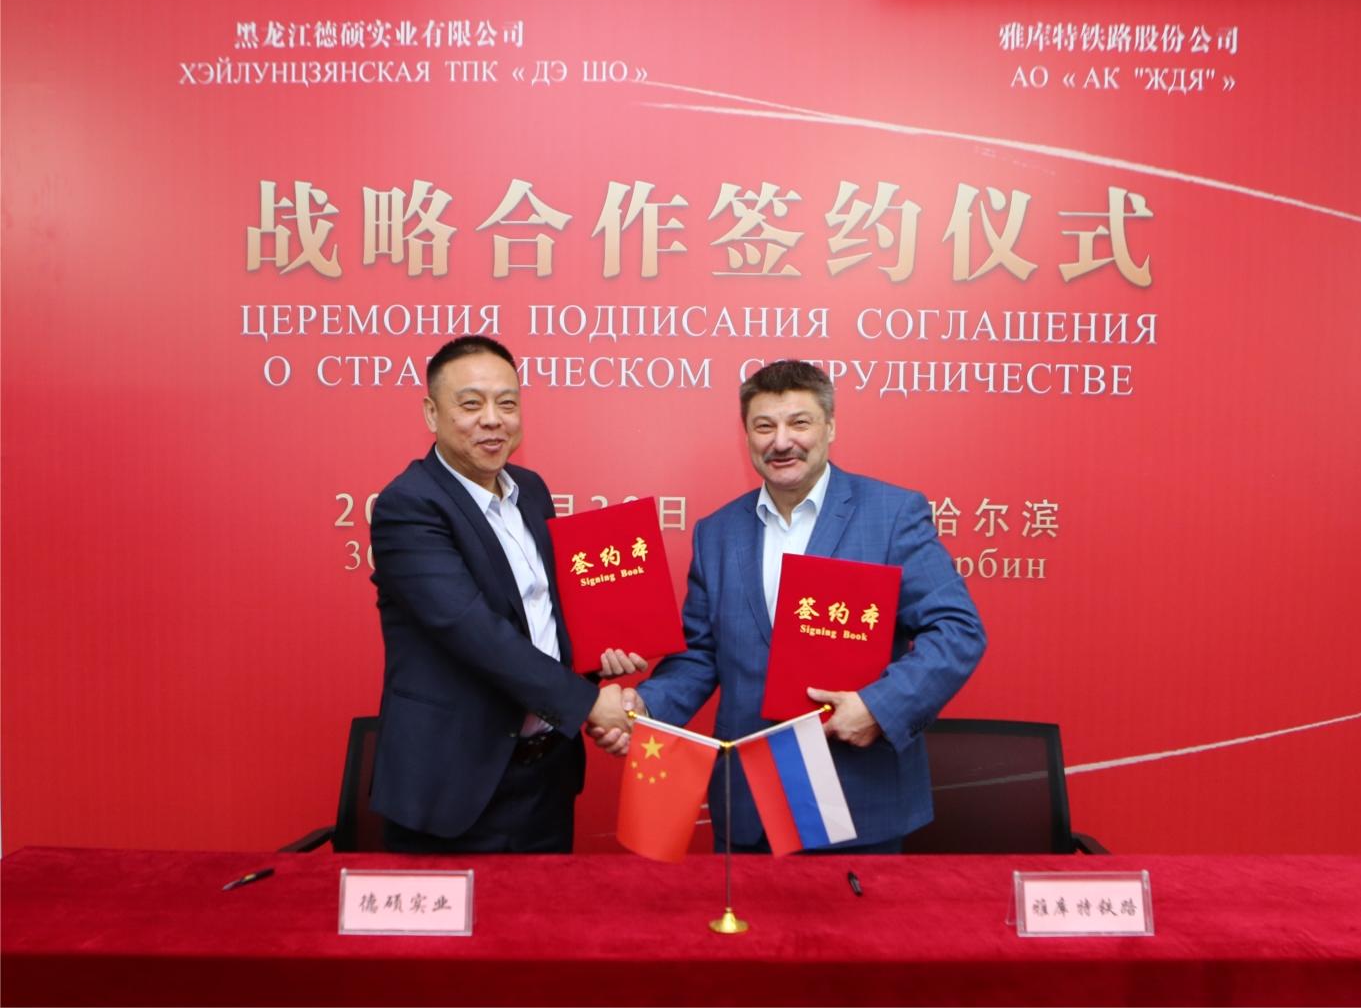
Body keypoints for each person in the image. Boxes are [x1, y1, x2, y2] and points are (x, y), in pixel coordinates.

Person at [591, 360, 985, 852]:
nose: (781, 442)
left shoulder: (890, 515)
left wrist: (878, 708)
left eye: (799, 423)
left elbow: (958, 630)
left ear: (830, 427)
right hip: (749, 805)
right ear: (746, 435)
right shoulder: (717, 533)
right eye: (764, 426)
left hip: (856, 796)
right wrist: (645, 708)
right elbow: (700, 654)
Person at [369, 335, 631, 853]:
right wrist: (587, 704)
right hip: (455, 783)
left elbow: (546, 617)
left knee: (544, 906)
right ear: (431, 413)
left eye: (507, 403)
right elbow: (474, 632)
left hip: (546, 775)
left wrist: (599, 662)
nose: (493, 419)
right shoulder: (409, 505)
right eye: (471, 404)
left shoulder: (530, 491)